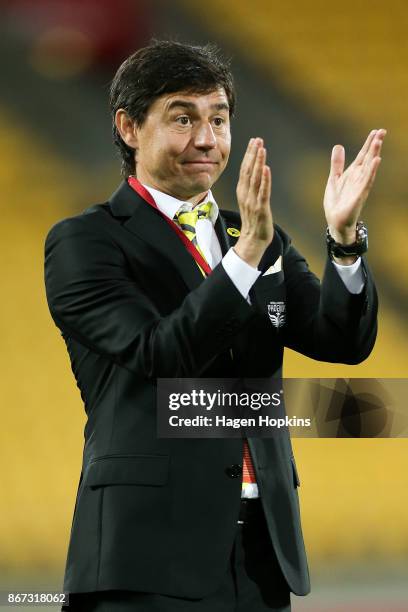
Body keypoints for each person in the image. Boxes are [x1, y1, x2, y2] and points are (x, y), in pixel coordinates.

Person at [44, 40, 384, 611]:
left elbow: (342, 344)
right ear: (129, 128)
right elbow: (160, 355)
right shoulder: (87, 241)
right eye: (183, 118)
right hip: (146, 556)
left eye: (218, 119)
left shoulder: (254, 235)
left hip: (261, 553)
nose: (206, 138)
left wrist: (344, 245)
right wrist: (247, 255)